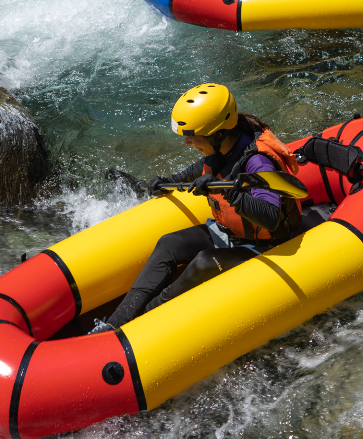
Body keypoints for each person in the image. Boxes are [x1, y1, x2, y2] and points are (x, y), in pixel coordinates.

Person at [92, 84, 303, 332]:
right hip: (231, 234)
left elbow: (271, 218)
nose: (186, 142)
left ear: (217, 134)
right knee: (169, 243)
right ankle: (114, 323)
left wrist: (226, 189)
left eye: (191, 135)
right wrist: (167, 182)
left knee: (204, 261)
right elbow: (198, 170)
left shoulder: (258, 162)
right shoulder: (224, 148)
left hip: (266, 246)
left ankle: (140, 323)